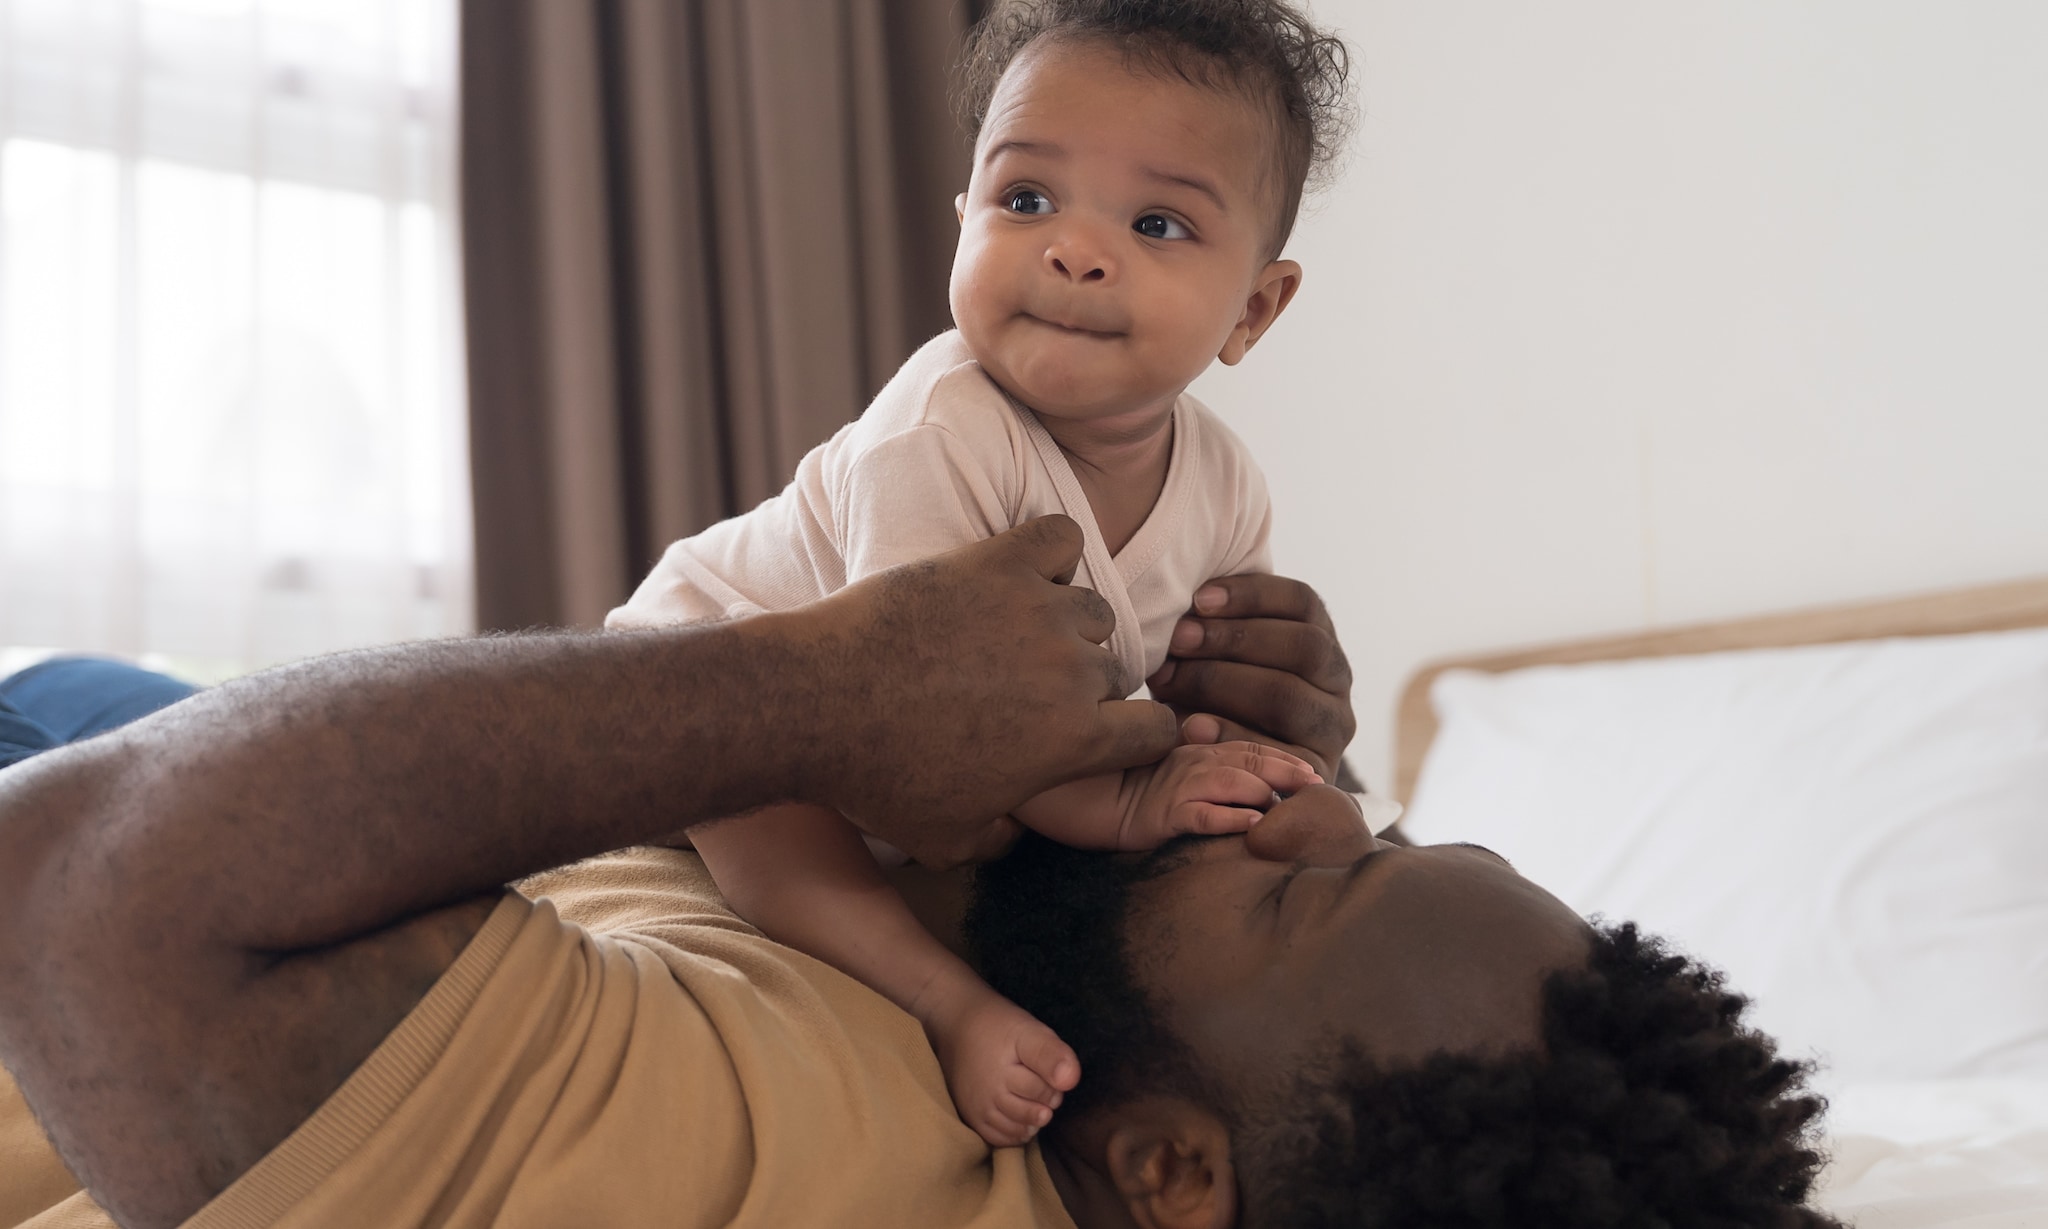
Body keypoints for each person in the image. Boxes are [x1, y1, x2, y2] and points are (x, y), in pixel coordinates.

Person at [0, 519, 1841, 1228]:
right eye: (1361, 801)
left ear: (1169, 1165)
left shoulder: (816, 1141)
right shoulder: (1014, 1020)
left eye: (1306, 880)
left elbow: (79, 883)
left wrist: (820, 692)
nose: (1298, 790)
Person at [609, 0, 1353, 1145]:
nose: (1073, 246)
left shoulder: (1225, 483)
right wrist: (1125, 799)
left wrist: (1266, 770)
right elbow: (921, 720)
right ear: (960, 222)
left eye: (1156, 222)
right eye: (1024, 200)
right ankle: (942, 999)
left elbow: (1194, 702)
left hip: (930, 749)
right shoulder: (940, 430)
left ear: (1252, 307)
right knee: (762, 795)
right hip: (725, 667)